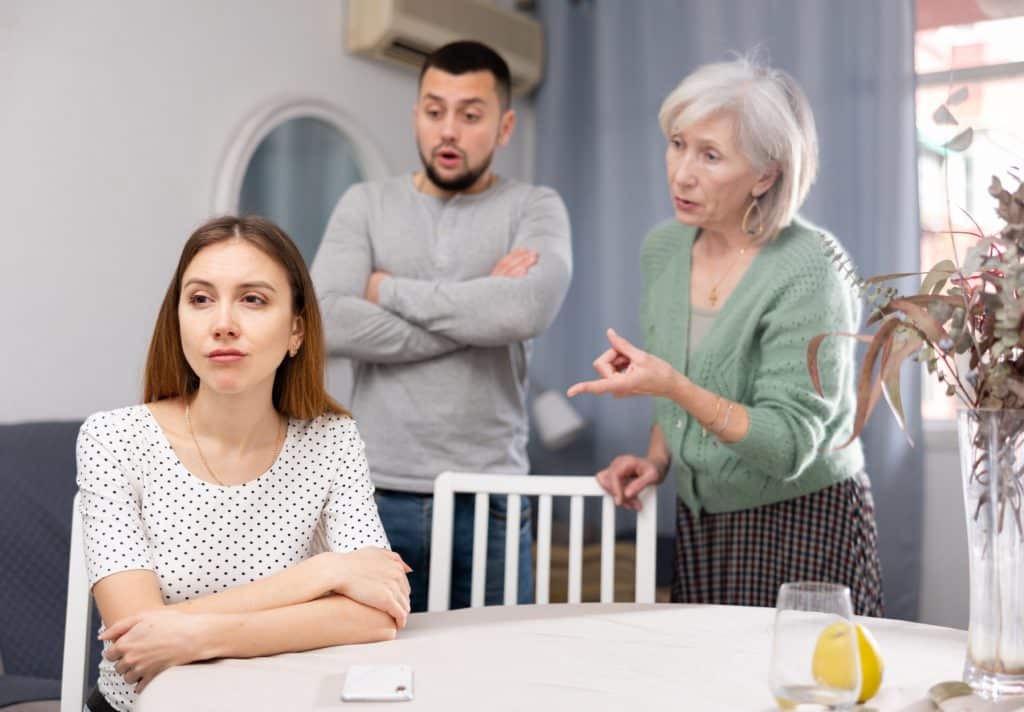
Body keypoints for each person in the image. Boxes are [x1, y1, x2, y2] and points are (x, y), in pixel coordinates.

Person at [567, 57, 883, 615]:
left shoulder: (812, 268)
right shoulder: (664, 249)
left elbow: (787, 445)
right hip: (700, 518)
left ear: (765, 174)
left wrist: (671, 387)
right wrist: (657, 460)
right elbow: (680, 376)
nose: (681, 173)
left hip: (803, 519)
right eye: (677, 143)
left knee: (801, 692)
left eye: (710, 155)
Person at [77, 216, 411, 712]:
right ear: (178, 319)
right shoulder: (113, 439)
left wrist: (195, 635)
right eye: (200, 299)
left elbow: (378, 614)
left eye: (253, 299)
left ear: (296, 329)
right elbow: (134, 639)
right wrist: (321, 575)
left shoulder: (332, 440)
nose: (223, 323)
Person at [311, 40, 572, 611]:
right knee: (373, 673)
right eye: (434, 111)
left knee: (493, 682)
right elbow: (326, 320)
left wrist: (385, 290)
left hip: (491, 497)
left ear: (504, 127)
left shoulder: (536, 208)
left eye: (470, 115)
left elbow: (524, 311)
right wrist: (478, 310)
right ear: (417, 117)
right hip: (376, 492)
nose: (448, 130)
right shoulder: (364, 204)